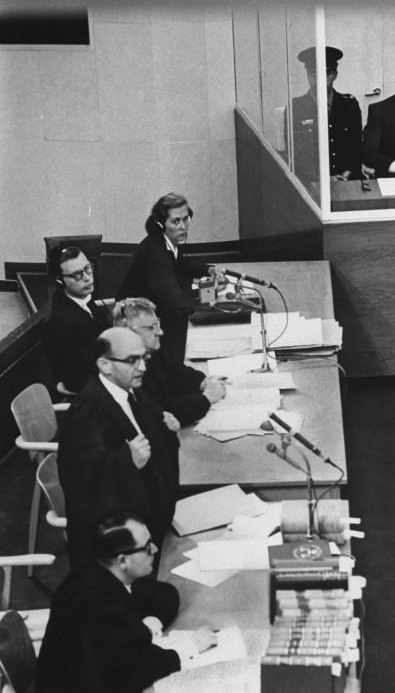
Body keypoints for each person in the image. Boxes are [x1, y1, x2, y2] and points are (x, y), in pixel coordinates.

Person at [36, 511, 217, 693]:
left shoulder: (94, 573)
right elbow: (136, 668)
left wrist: (147, 627)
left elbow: (164, 595)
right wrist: (192, 647)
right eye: (147, 547)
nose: (154, 549)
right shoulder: (103, 605)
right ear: (123, 561)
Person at [58, 327, 179, 566]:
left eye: (144, 358)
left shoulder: (131, 391)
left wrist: (166, 430)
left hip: (155, 521)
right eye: (132, 360)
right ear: (105, 365)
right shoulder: (86, 413)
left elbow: (151, 439)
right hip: (118, 552)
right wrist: (127, 459)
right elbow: (78, 481)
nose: (143, 367)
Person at [116, 192, 209, 364]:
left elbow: (183, 265)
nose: (183, 226)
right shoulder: (155, 252)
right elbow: (175, 302)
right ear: (161, 224)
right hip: (137, 329)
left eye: (186, 219)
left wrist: (210, 270)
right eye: (176, 221)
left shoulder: (166, 243)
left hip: (157, 319)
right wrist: (208, 305)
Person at [113, 297, 226, 428]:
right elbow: (162, 414)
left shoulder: (152, 351)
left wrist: (203, 382)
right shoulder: (126, 370)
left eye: (158, 324)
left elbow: (179, 372)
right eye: (151, 328)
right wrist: (206, 398)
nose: (160, 332)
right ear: (128, 331)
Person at [42, 245, 112, 392]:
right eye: (77, 275)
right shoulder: (60, 323)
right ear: (60, 280)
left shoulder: (83, 299)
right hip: (94, 396)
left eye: (88, 268)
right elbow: (77, 380)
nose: (87, 277)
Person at [291, 46, 363, 182]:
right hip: (312, 182)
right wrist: (322, 179)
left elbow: (356, 147)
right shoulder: (297, 107)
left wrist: (346, 175)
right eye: (313, 73)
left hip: (348, 179)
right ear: (307, 74)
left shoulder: (349, 105)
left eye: (325, 73)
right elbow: (296, 155)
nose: (319, 79)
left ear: (335, 74)